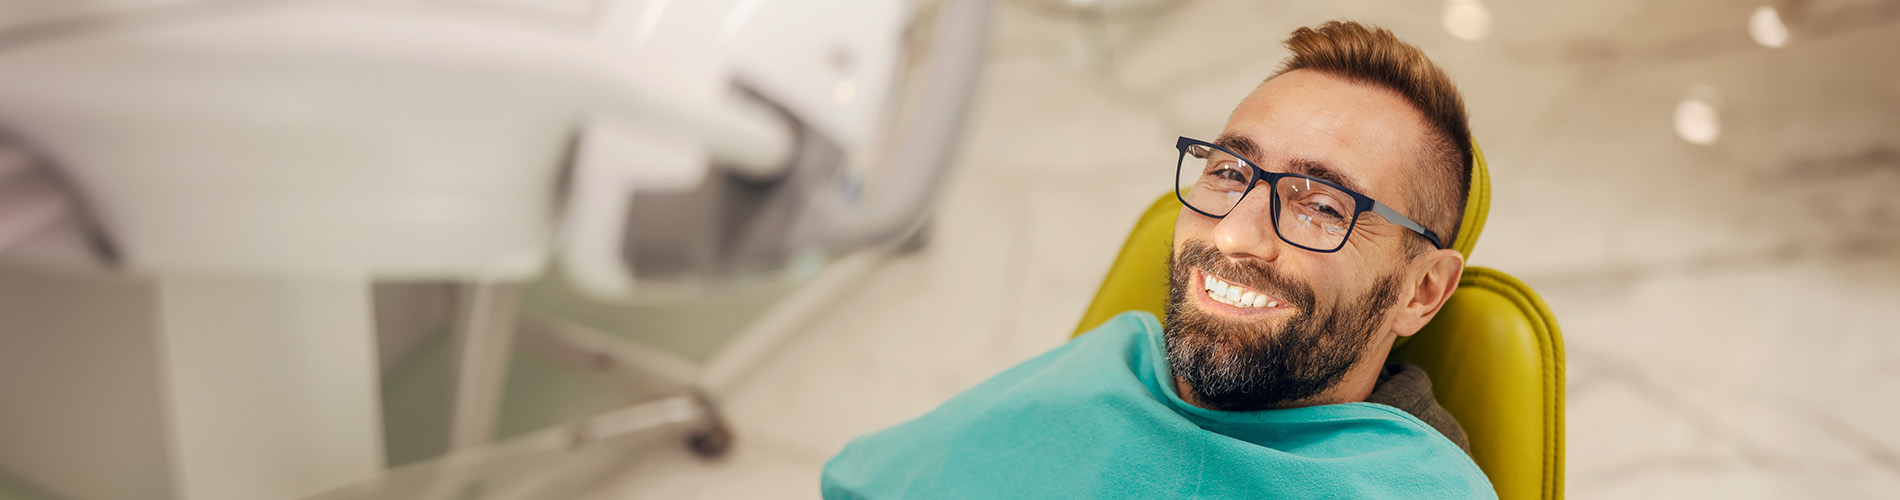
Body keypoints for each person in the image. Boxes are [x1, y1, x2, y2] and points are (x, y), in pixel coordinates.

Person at [822, 20, 1492, 499]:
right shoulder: (1106, 369)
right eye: (1230, 171)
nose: (1233, 238)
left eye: (1322, 204)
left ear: (1422, 291)